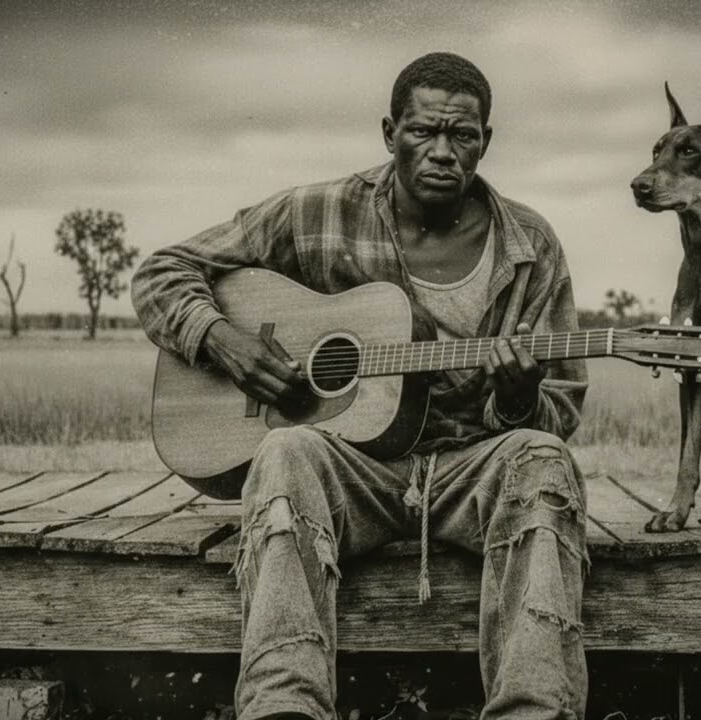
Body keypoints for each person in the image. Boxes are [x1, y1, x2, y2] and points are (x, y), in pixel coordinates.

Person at [132, 51, 590, 720]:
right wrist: (224, 343)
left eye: (462, 136)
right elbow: (161, 272)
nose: (442, 152)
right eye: (423, 131)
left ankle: (534, 710)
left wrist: (519, 399)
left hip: (472, 473)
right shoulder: (316, 213)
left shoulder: (530, 245)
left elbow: (562, 407)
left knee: (544, 460)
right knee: (285, 451)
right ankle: (284, 708)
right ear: (389, 132)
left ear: (485, 141)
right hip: (353, 474)